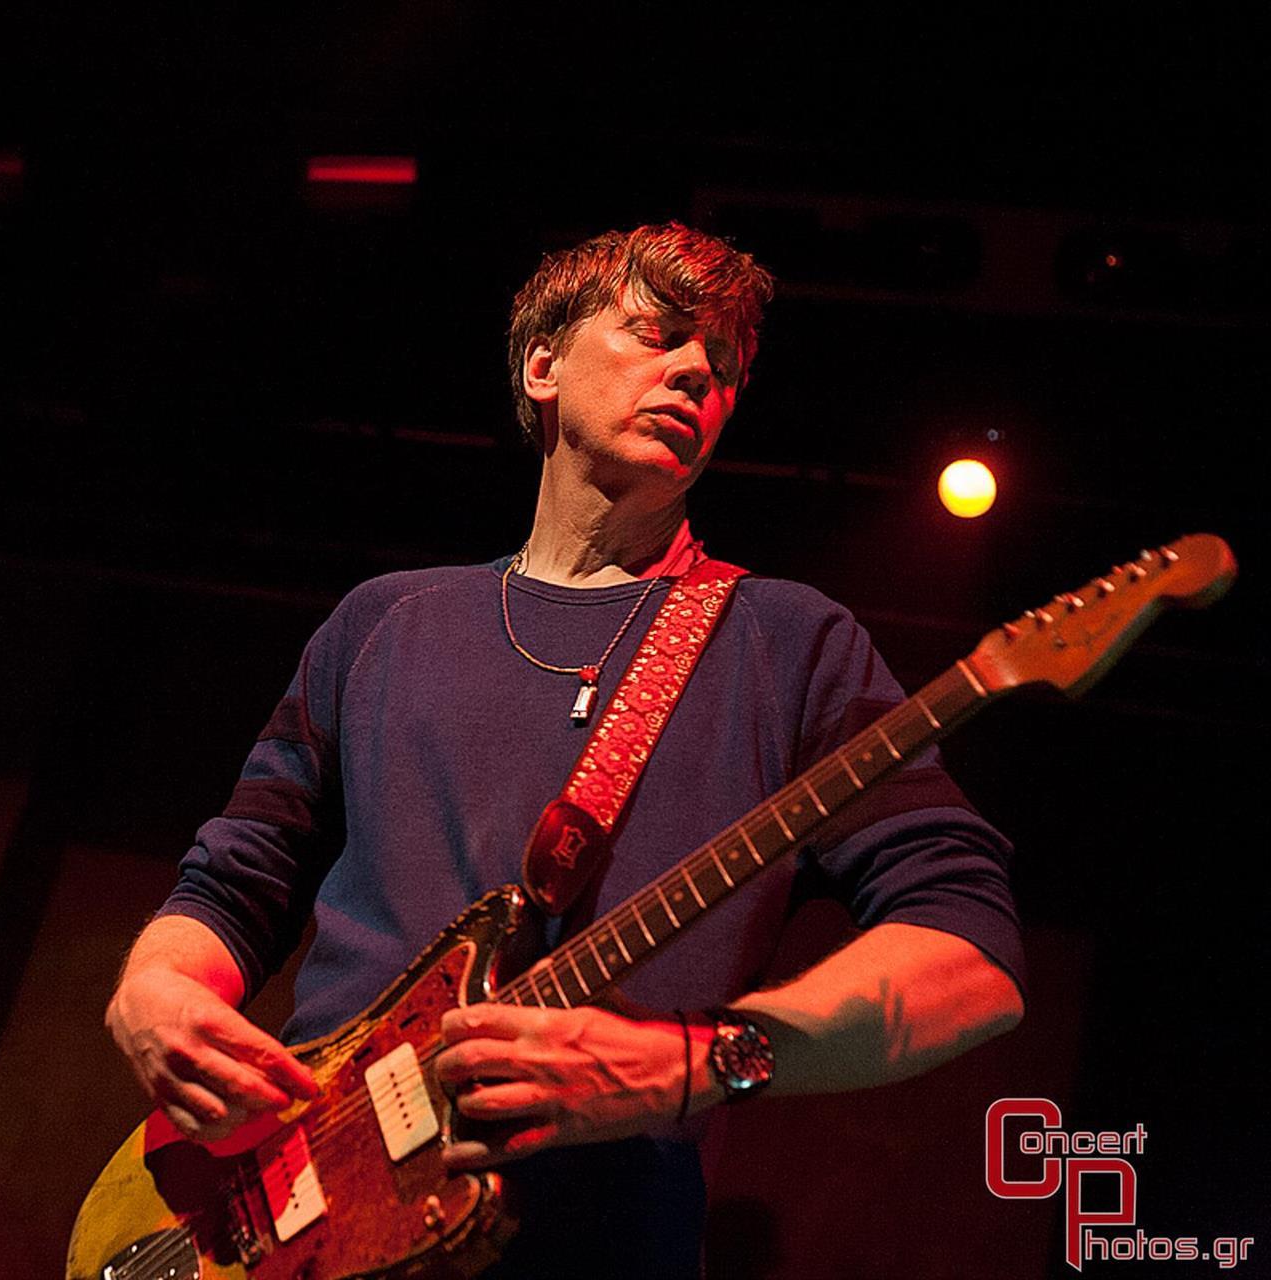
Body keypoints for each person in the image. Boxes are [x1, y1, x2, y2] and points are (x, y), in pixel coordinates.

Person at [104, 223, 1025, 1275]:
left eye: (723, 368)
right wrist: (158, 988)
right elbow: (237, 878)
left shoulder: (789, 644)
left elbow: (973, 955)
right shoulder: (385, 621)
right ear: (542, 364)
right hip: (285, 1207)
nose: (696, 372)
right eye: (658, 333)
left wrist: (693, 1061)